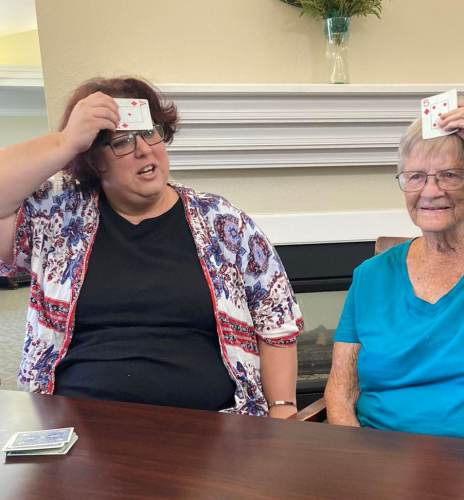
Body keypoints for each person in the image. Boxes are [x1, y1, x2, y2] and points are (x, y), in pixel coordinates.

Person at [0, 77, 303, 418]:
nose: (144, 149)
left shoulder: (223, 223)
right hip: (81, 428)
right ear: (93, 160)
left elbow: (276, 321)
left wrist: (282, 410)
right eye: (122, 142)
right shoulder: (58, 220)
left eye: (150, 132)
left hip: (214, 428)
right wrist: (66, 141)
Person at [325, 99, 464, 440]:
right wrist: (356, 465)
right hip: (383, 465)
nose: (431, 191)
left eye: (450, 175)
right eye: (416, 177)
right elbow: (341, 392)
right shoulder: (370, 276)